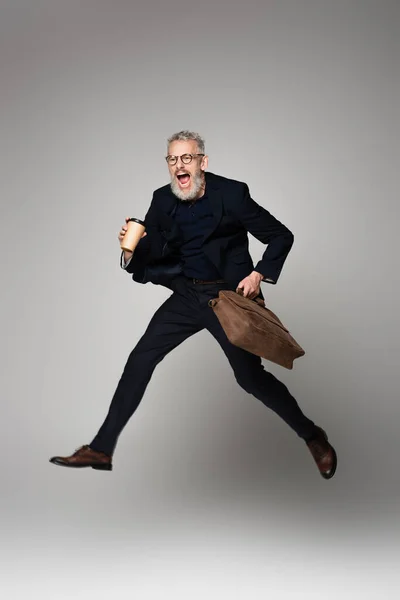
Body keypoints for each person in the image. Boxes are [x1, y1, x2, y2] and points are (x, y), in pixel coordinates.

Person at [50, 130, 337, 479]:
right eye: (172, 159)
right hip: (187, 294)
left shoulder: (232, 194)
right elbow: (151, 252)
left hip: (227, 298)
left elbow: (281, 235)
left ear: (202, 161)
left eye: (186, 158)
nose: (178, 165)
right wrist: (129, 250)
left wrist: (258, 274)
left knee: (250, 379)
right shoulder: (161, 200)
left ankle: (312, 436)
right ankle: (101, 448)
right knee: (141, 359)